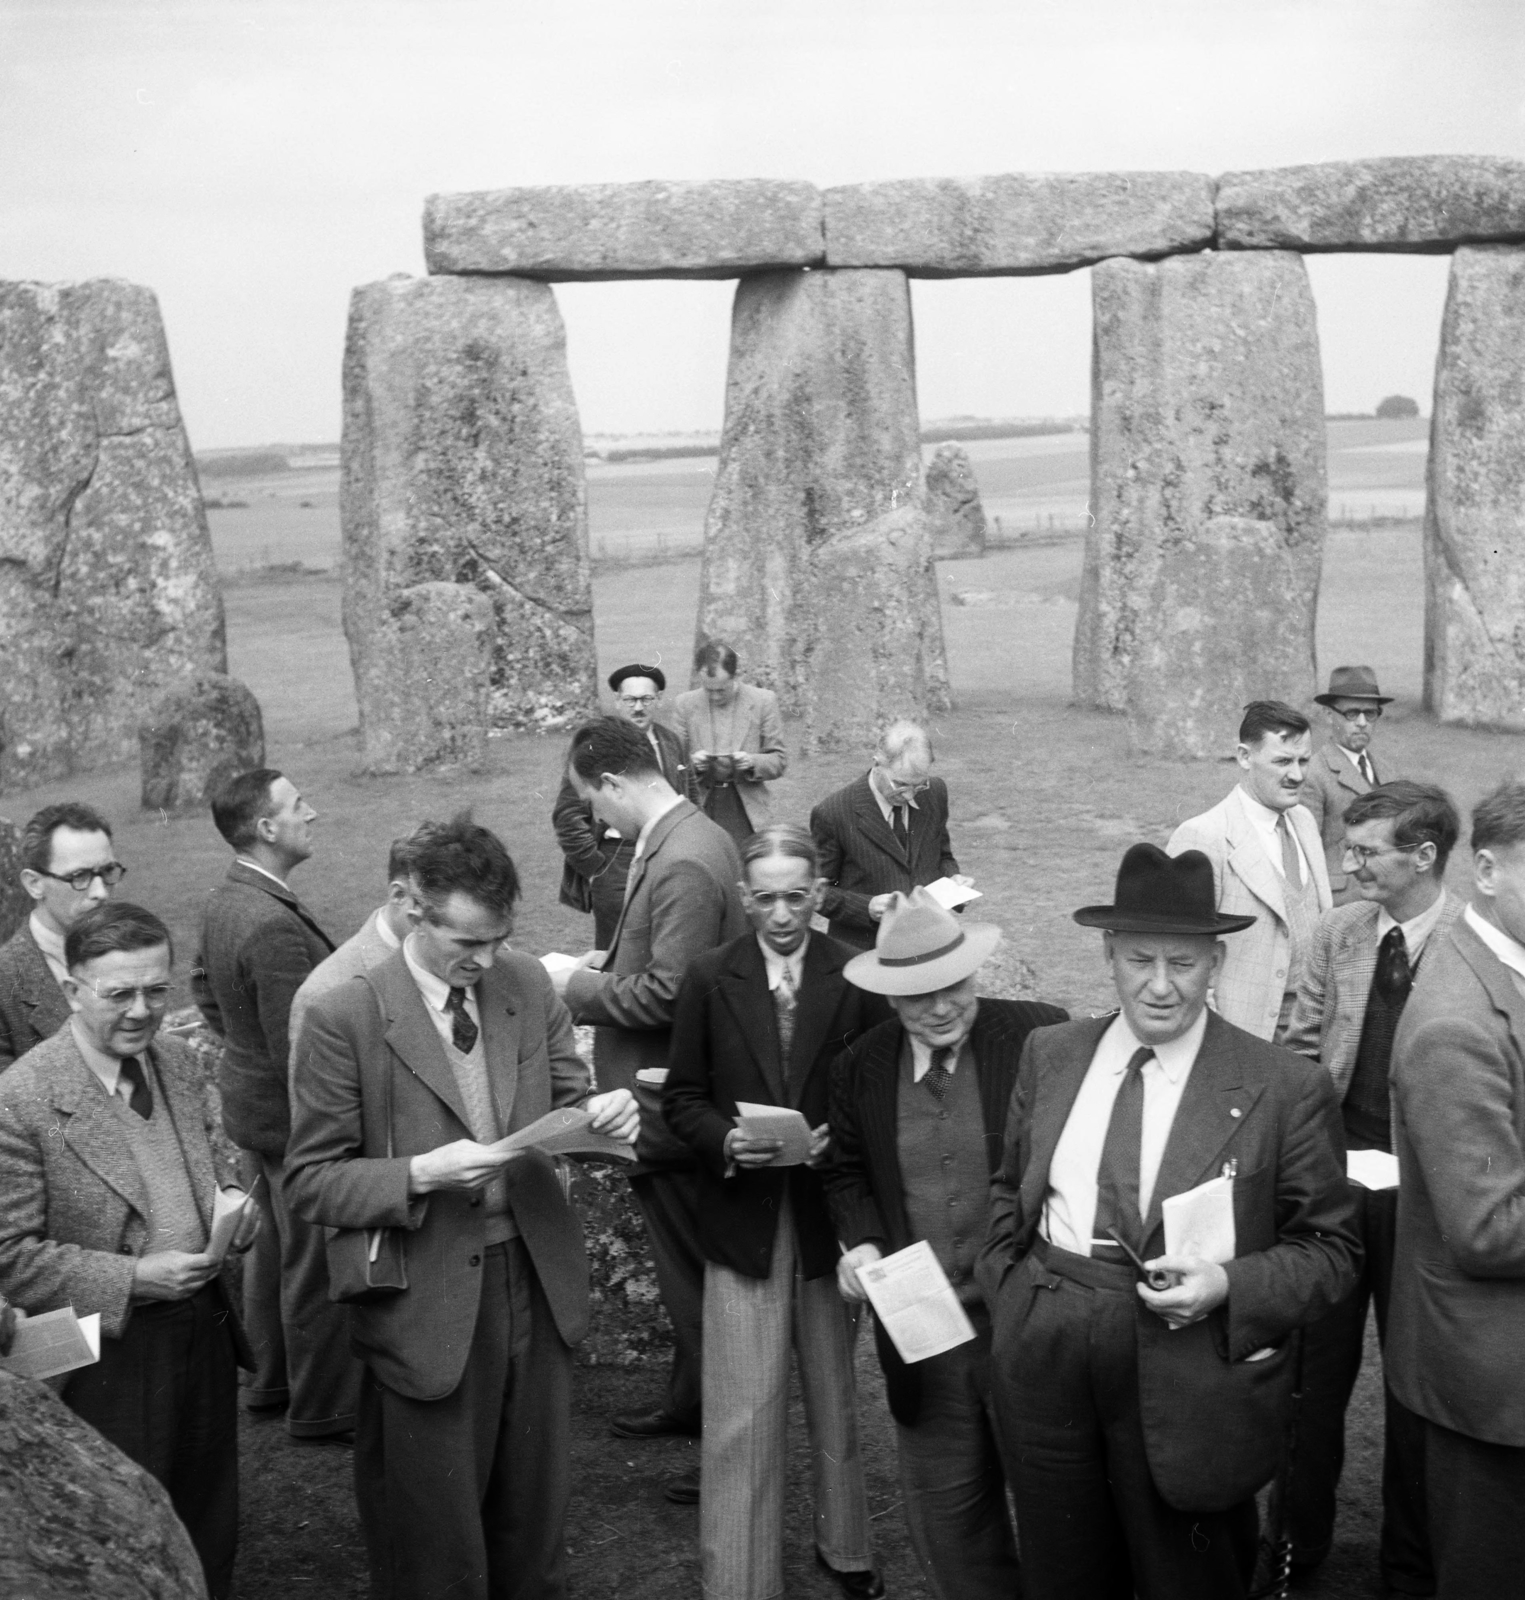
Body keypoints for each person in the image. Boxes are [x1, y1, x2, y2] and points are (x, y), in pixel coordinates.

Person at [980, 843, 1360, 1600]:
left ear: (1215, 962)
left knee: (1184, 1572)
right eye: (1139, 960)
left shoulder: (1283, 1087)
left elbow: (1331, 1251)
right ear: (1108, 954)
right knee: (1061, 1567)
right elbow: (1008, 1188)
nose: (1159, 987)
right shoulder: (1049, 1054)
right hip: (1047, 1343)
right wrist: (1012, 1297)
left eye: (1181, 964)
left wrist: (1227, 1284)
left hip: (1187, 1364)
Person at [286, 815, 637, 1600]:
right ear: (411, 908)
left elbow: (568, 1100)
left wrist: (605, 1115)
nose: (484, 960)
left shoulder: (523, 984)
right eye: (465, 944)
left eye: (498, 939)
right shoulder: (342, 1015)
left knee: (533, 1523)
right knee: (436, 1544)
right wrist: (417, 1173)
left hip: (536, 1284)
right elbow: (309, 1182)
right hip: (424, 1296)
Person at [0, 902, 257, 1599]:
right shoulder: (22, 1098)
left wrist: (235, 1207)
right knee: (127, 1537)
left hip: (202, 1330)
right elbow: (10, 1257)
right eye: (119, 994)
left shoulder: (173, 1061)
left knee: (208, 1519)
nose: (142, 1011)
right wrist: (134, 1278)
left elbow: (214, 1161)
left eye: (155, 990)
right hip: (102, 1353)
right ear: (74, 990)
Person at [824, 886, 1068, 1600]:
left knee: (1057, 1502)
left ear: (973, 975)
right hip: (924, 1335)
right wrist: (862, 1242)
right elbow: (843, 1173)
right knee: (952, 1511)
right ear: (890, 996)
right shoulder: (859, 1066)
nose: (938, 1008)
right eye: (916, 995)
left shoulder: (1037, 1039)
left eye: (952, 987)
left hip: (1026, 1322)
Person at [663, 825, 887, 1592]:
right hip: (742, 1216)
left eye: (797, 897)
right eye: (766, 899)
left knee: (833, 1391)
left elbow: (873, 1092)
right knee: (740, 1408)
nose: (783, 914)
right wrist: (725, 1141)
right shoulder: (708, 975)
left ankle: (846, 1547)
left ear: (820, 894)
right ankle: (738, 1576)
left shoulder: (855, 974)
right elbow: (682, 1097)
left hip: (827, 1217)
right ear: (743, 898)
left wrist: (838, 1136)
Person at [1279, 781, 1463, 1591]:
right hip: (1332, 1192)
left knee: (1414, 1386)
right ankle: (1291, 1548)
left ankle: (1409, 1566)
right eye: (1345, 848)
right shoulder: (1335, 933)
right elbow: (1295, 1046)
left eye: (1365, 852)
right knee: (1306, 1381)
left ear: (1423, 857)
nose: (1346, 865)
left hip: (1429, 1202)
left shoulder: (1477, 943)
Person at [555, 714, 747, 1446]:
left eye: (591, 803)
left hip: (667, 1106)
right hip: (664, 1102)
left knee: (691, 1280)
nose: (595, 821)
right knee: (683, 1278)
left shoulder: (683, 861)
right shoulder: (682, 838)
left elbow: (671, 992)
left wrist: (573, 988)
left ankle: (724, 1440)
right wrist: (598, 964)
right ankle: (691, 1403)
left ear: (611, 782)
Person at [1387, 781, 1525, 1598]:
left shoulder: (1505, 967)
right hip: (1496, 1387)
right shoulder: (1453, 1021)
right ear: (1485, 870)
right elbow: (1488, 1229)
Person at [193, 767, 351, 1442]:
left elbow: (204, 991)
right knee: (312, 1261)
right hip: (289, 1120)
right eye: (297, 806)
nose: (310, 813)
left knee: (266, 1255)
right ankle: (321, 1407)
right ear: (265, 828)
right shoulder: (272, 925)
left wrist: (245, 1052)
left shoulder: (229, 898)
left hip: (250, 1107)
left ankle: (267, 1381)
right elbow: (302, 1047)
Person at [1167, 700, 1331, 1040]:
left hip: (1315, 1028)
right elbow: (1179, 954)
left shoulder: (1303, 820)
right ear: (1244, 757)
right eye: (1283, 761)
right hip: (1243, 1036)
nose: (1298, 775)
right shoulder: (1204, 836)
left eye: (1304, 761)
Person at [553, 662, 697, 946]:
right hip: (617, 860)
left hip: (669, 853)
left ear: (659, 700)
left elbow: (692, 797)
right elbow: (567, 816)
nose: (638, 708)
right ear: (617, 701)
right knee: (617, 951)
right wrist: (597, 867)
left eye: (646, 699)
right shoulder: (593, 747)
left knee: (669, 939)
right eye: (630, 699)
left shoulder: (673, 742)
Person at [810, 721, 973, 953]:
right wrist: (866, 907)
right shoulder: (833, 813)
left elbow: (942, 855)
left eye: (918, 786)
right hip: (866, 951)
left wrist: (954, 879)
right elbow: (819, 892)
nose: (908, 795)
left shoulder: (935, 793)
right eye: (900, 784)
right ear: (877, 762)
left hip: (928, 941)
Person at [287, 823, 434, 1070]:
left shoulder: (482, 953)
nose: (450, 930)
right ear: (398, 895)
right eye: (434, 913)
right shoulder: (324, 996)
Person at [0, 802, 125, 1071]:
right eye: (79, 876)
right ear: (34, 884)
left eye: (107, 872)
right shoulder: (6, 982)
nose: (100, 892)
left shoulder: (131, 948)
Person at [673, 639, 786, 846]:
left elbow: (779, 760)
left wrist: (752, 762)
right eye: (708, 690)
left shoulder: (763, 701)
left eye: (721, 690)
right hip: (701, 802)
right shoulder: (685, 704)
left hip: (745, 804)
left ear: (735, 677)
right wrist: (692, 764)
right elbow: (673, 764)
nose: (715, 697)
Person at [1301, 666, 1393, 904]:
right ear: (1329, 716)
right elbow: (1304, 853)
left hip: (1386, 891)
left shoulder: (1386, 770)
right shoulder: (1313, 774)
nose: (1362, 722)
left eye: (1370, 713)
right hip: (1340, 898)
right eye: (1352, 713)